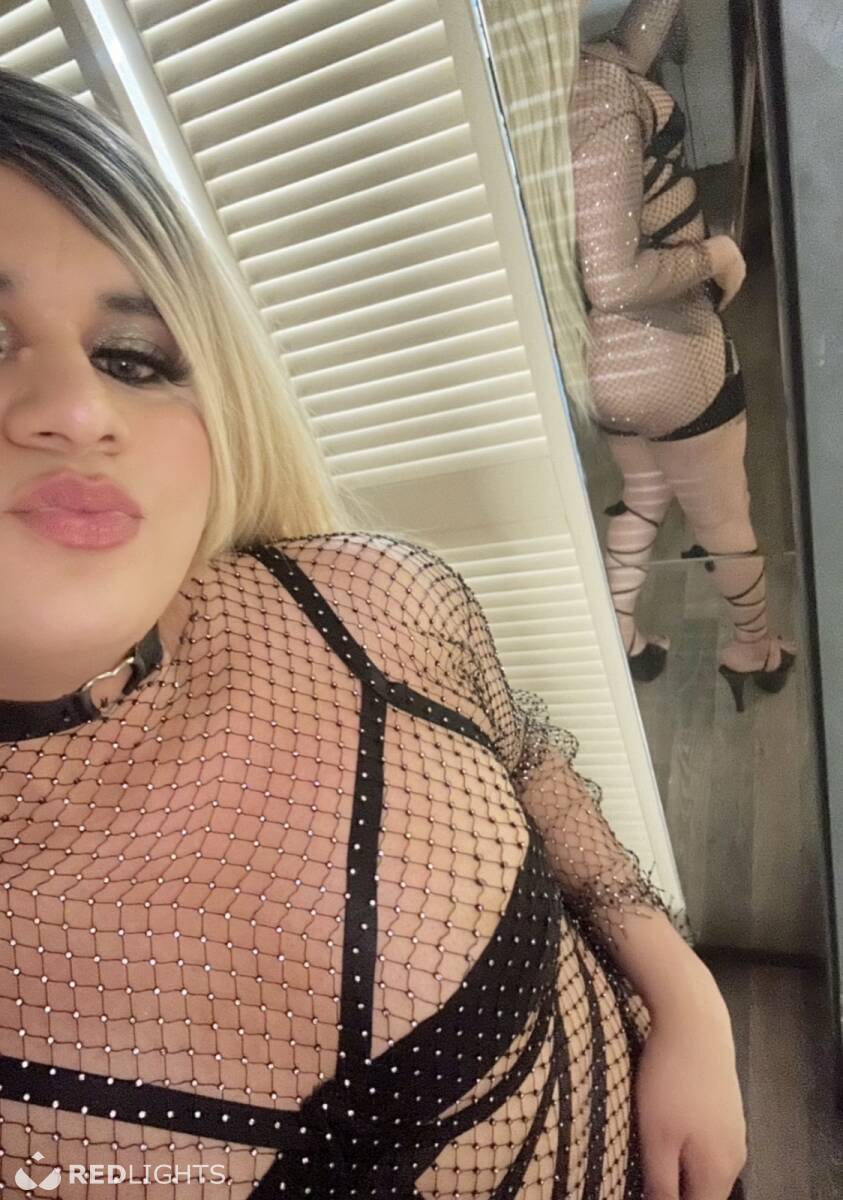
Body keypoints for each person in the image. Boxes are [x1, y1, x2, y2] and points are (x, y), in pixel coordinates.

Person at [0, 67, 746, 1198]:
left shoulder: (364, 591)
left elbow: (531, 767)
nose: (79, 407)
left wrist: (689, 1002)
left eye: (135, 359)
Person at [570, 0, 795, 710]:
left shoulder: (558, 80)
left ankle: (622, 636)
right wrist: (715, 255)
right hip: (671, 352)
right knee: (724, 520)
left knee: (643, 493)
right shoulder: (598, 91)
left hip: (605, 365)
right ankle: (754, 648)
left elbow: (631, 44)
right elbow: (612, 278)